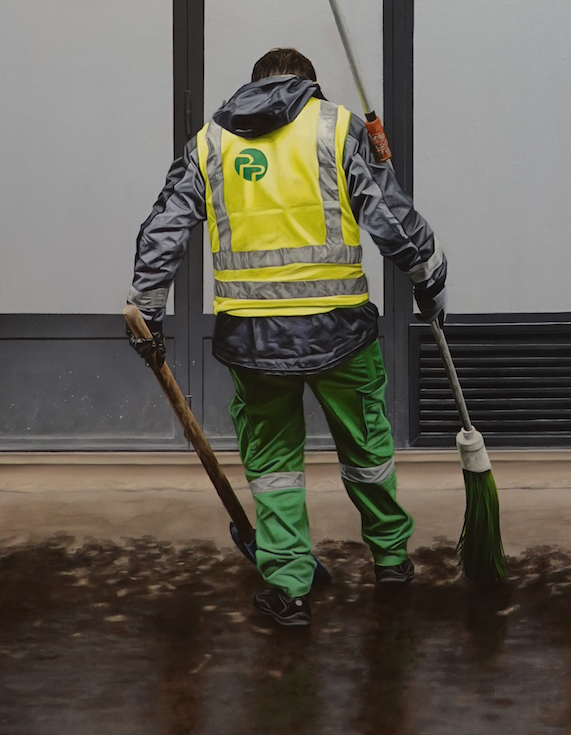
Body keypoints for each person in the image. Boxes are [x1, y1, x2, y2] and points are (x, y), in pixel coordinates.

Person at [125, 46, 446, 628]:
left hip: (254, 342)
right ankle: (392, 560)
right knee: (367, 449)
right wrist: (430, 282)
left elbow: (165, 228)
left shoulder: (210, 142)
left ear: (255, 86)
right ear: (309, 84)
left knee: (273, 462)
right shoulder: (338, 126)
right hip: (341, 330)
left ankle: (288, 584)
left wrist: (147, 311)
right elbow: (392, 220)